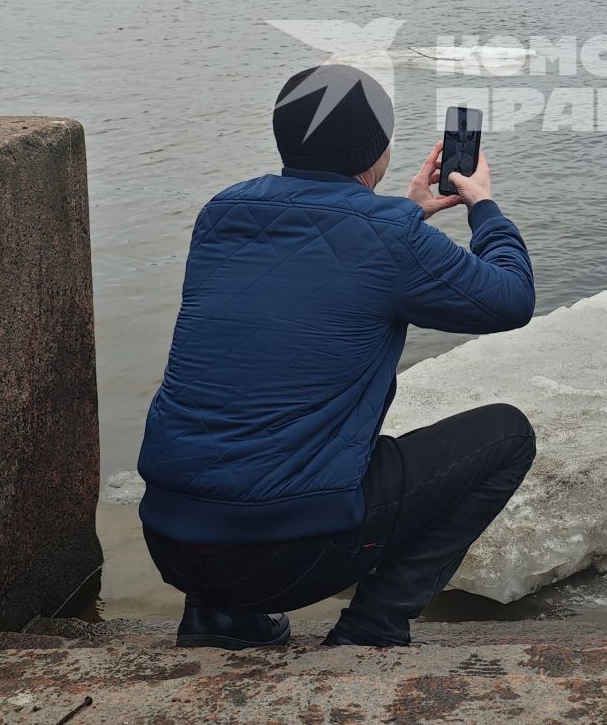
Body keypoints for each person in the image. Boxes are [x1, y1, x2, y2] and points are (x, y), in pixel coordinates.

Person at [136, 63, 536, 649]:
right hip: (284, 559)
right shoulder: (391, 239)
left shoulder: (220, 214)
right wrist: (483, 207)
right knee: (507, 437)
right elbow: (511, 299)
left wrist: (409, 212)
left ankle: (222, 619)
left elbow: (319, 259)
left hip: (170, 539)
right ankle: (373, 626)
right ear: (381, 150)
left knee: (242, 401)